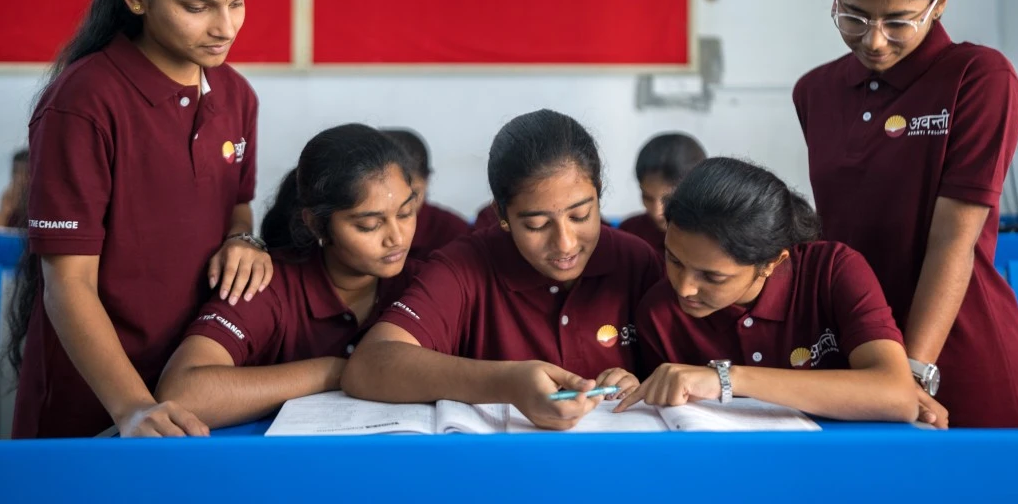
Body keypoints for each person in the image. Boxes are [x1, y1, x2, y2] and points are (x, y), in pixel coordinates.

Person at [6, 0, 271, 438]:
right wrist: (131, 407)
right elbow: (68, 283)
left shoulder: (236, 96)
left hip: (197, 389)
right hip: (97, 401)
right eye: (197, 7)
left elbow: (235, 204)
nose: (226, 27)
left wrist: (244, 240)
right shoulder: (83, 102)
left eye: (238, 2)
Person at [793, 0, 1018, 427]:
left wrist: (910, 375)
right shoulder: (815, 91)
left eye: (899, 21)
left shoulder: (979, 77)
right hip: (855, 347)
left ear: (940, 2)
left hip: (954, 347)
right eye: (855, 16)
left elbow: (953, 242)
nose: (874, 41)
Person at [342, 109, 663, 430]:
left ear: (598, 193)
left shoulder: (633, 260)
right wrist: (506, 381)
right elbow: (369, 364)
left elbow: (676, 368)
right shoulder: (463, 267)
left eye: (580, 216)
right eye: (536, 224)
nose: (564, 244)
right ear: (502, 214)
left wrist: (637, 381)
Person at [616, 158, 919, 424]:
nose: (684, 287)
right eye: (674, 260)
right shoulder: (659, 312)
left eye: (713, 277)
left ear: (772, 263)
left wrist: (726, 379)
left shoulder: (833, 271)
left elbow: (896, 394)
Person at [156, 125, 419, 429]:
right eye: (370, 225)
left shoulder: (418, 283)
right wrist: (337, 372)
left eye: (406, 213)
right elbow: (182, 393)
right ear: (317, 224)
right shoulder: (267, 283)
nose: (397, 238)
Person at [381, 128, 469, 260]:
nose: (399, 208)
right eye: (367, 225)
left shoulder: (453, 232)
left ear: (427, 180)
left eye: (412, 195)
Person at [618, 133, 706, 255]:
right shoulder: (629, 233)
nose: (657, 212)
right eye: (647, 197)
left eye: (669, 200)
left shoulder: (714, 240)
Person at [0, 149, 29, 228]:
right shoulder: (9, 198)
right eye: (15, 172)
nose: (19, 178)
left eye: (24, 173)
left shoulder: (39, 204)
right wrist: (6, 210)